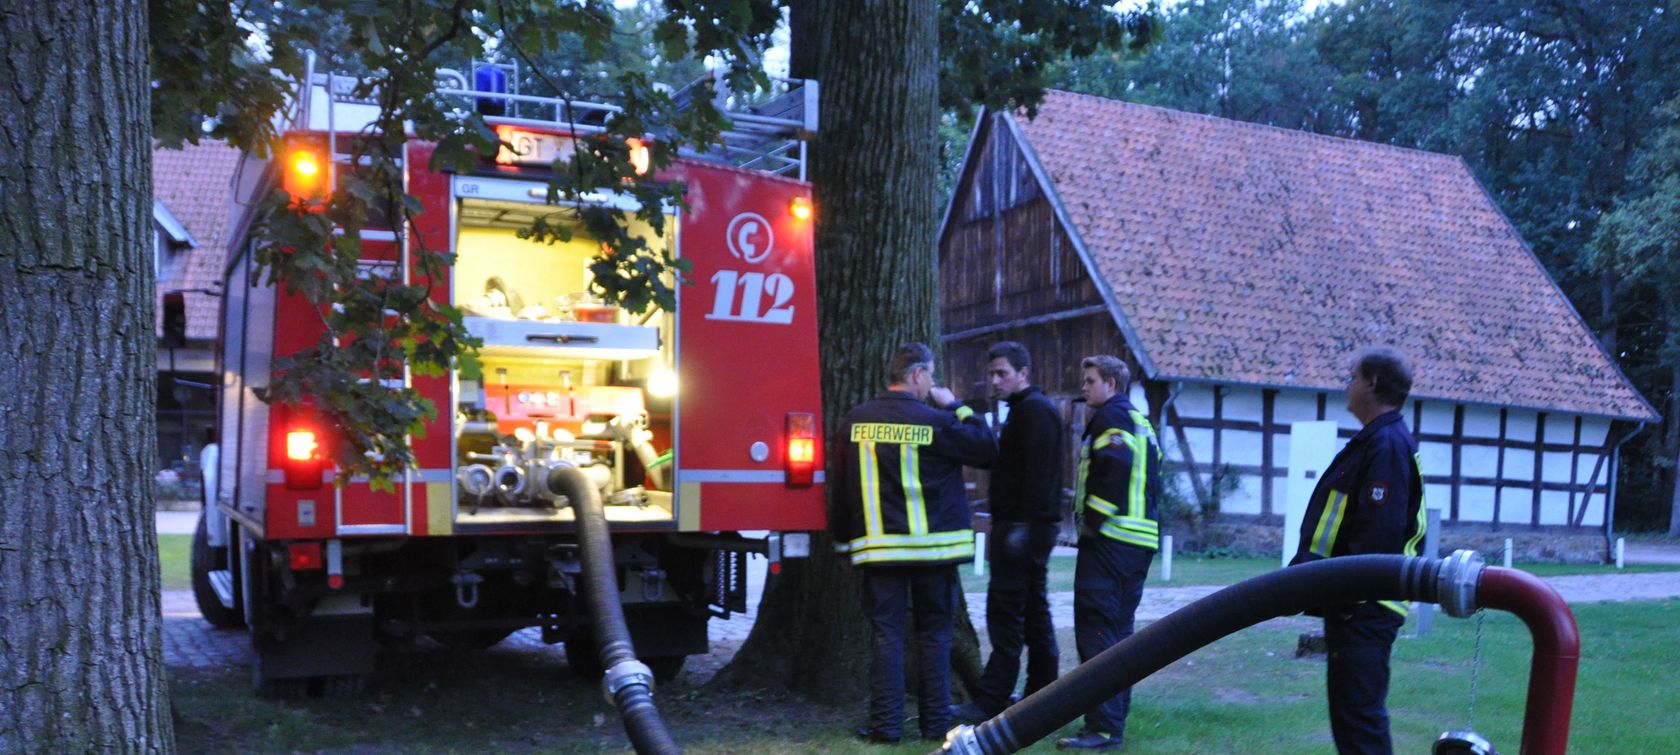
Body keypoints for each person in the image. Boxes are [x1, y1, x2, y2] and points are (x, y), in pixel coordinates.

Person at [832, 342, 999, 744]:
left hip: (880, 551)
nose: (932, 385)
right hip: (933, 552)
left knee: (886, 636)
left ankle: (886, 727)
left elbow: (840, 488)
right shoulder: (938, 422)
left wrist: (841, 545)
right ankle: (935, 725)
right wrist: (956, 405)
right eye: (931, 376)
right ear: (918, 374)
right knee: (935, 636)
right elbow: (988, 448)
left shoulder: (855, 421)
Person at [1290, 347, 1427, 755]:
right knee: (1351, 718)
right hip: (1355, 603)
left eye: (1352, 377)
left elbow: (1377, 534)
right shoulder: (1377, 441)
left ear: (1372, 384)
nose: (1347, 386)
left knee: (1359, 720)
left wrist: (1349, 601)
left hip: (1365, 607)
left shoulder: (1386, 445)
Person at [1059, 355, 1162, 752]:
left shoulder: (1112, 419)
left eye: (1090, 381)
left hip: (1110, 542)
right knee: (1119, 636)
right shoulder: (1141, 421)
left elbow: (1116, 466)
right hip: (1139, 543)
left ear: (1111, 384)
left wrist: (1093, 521)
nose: (1084, 388)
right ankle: (1114, 720)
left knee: (1097, 632)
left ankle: (1101, 729)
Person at [957, 341, 1064, 722]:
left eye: (1002, 373)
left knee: (1006, 615)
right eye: (991, 374)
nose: (994, 380)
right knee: (1034, 613)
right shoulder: (1026, 410)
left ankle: (992, 700)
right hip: (1028, 528)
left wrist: (1021, 527)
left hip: (1022, 530)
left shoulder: (1034, 411)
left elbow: (1038, 475)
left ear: (1023, 373)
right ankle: (1043, 696)